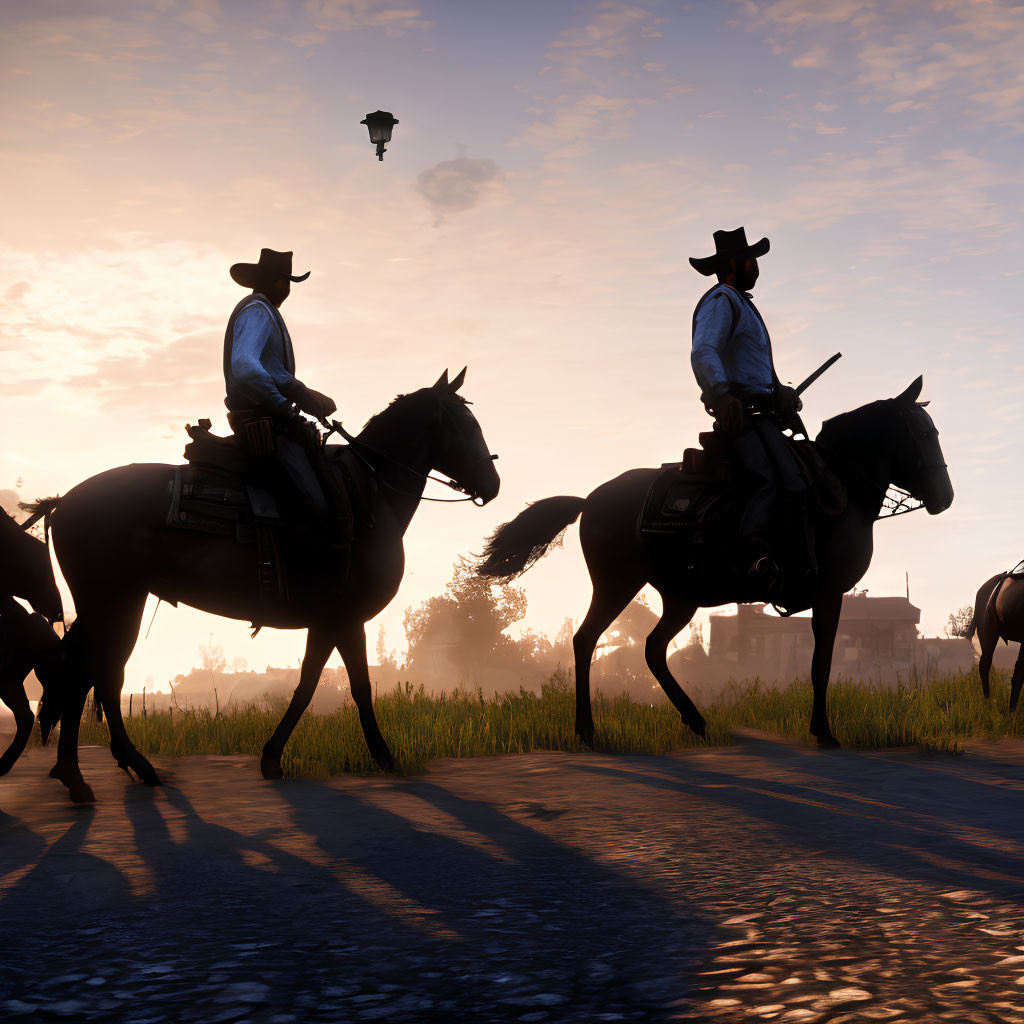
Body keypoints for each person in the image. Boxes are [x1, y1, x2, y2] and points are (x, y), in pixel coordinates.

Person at [689, 227, 809, 590]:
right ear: (732, 264)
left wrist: (780, 393)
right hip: (743, 417)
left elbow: (754, 371)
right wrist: (723, 395)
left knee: (801, 477)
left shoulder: (741, 304)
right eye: (750, 258)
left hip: (762, 414)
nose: (755, 265)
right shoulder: (722, 300)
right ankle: (752, 558)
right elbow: (703, 351)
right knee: (769, 479)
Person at [223, 247, 349, 588]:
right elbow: (246, 367)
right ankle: (296, 584)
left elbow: (274, 371)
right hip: (263, 423)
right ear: (279, 283)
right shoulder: (259, 313)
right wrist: (284, 405)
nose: (289, 290)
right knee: (315, 503)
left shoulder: (262, 311)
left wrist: (306, 396)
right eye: (288, 282)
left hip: (270, 415)